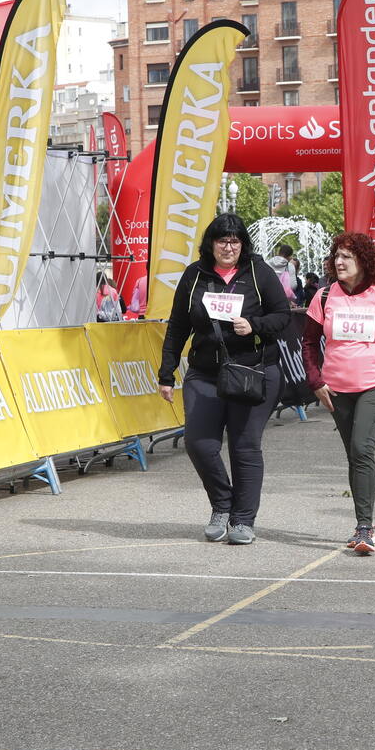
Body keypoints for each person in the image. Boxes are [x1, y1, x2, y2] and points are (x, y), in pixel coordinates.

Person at [157, 214, 291, 546]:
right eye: (222, 241)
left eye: (234, 241)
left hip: (253, 371)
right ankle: (222, 505)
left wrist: (254, 325)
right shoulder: (194, 275)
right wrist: (166, 373)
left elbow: (283, 316)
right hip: (205, 372)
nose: (228, 247)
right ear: (211, 244)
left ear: (242, 244)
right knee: (199, 443)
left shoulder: (258, 273)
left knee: (245, 446)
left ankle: (243, 520)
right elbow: (177, 327)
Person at [301, 232, 375, 555]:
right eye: (336, 256)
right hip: (336, 390)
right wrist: (315, 381)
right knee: (355, 453)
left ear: (363, 262)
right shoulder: (323, 297)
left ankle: (366, 527)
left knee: (362, 447)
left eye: (346, 257)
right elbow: (308, 344)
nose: (339, 262)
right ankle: (360, 523)